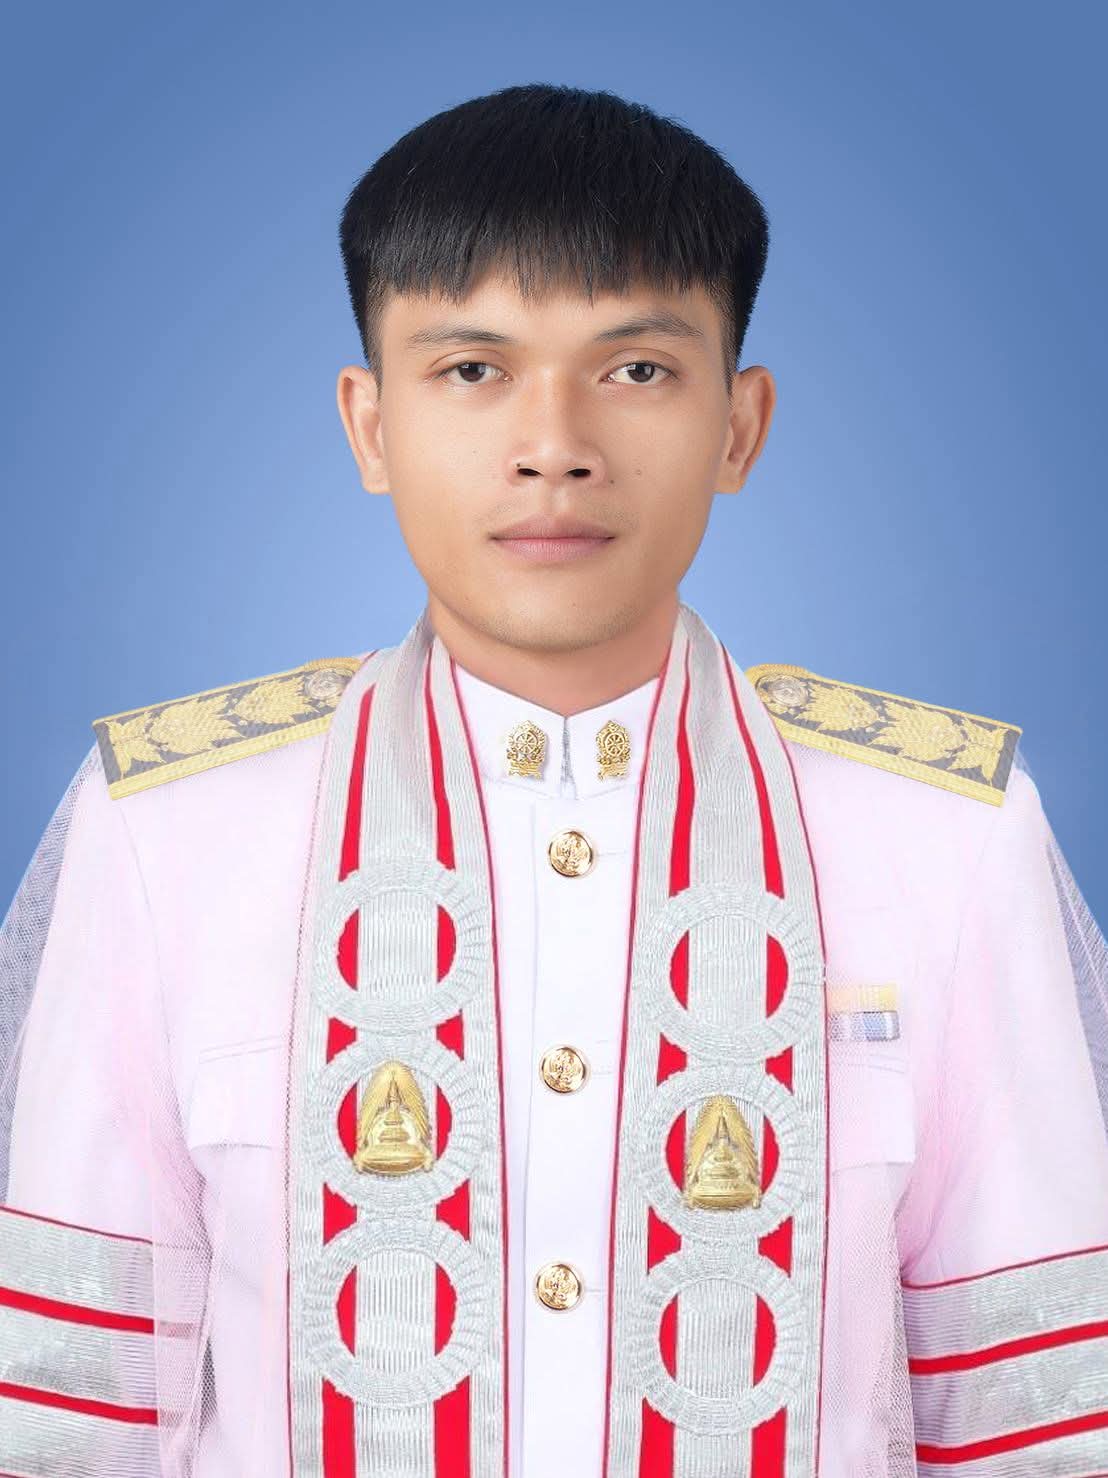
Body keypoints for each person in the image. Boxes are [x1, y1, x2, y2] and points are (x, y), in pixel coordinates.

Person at [1, 81, 1105, 1478]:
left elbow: (1038, 1425)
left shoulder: (943, 834)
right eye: (472, 370)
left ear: (740, 424)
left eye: (635, 369)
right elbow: (66, 1423)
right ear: (369, 424)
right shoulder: (167, 827)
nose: (554, 446)